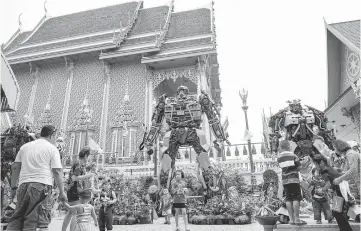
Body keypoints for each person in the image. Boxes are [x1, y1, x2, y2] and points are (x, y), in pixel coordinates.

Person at [7, 125, 67, 231]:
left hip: (23, 185)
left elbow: (15, 167)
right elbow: (57, 171)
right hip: (41, 185)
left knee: (17, 219)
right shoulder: (52, 149)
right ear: (52, 135)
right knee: (38, 221)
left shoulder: (25, 147)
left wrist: (13, 188)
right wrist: (62, 192)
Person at [313, 154, 353, 231]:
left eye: (316, 163)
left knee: (337, 212)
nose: (315, 166)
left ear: (321, 162)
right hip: (342, 187)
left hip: (339, 189)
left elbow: (328, 184)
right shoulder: (329, 168)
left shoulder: (324, 171)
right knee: (338, 212)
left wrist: (322, 190)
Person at [62, 147, 95, 231]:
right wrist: (88, 176)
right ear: (85, 156)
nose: (89, 158)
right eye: (89, 156)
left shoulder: (79, 164)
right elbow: (74, 178)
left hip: (72, 190)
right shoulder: (79, 164)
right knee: (75, 213)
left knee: (70, 213)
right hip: (75, 191)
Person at [276, 140, 306, 226]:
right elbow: (299, 167)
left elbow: (281, 167)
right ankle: (297, 219)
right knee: (296, 198)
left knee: (288, 198)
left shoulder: (279, 158)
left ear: (281, 147)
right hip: (294, 180)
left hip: (285, 181)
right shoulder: (293, 155)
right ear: (289, 147)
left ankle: (291, 219)